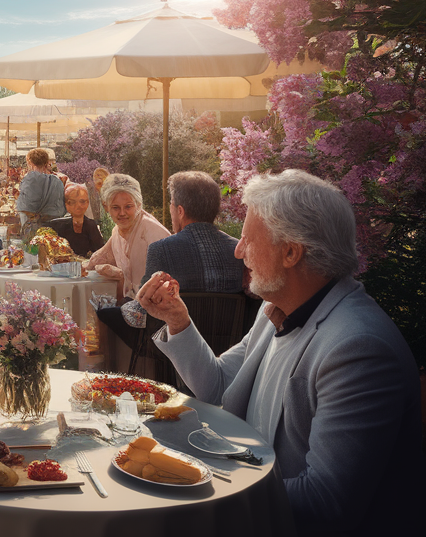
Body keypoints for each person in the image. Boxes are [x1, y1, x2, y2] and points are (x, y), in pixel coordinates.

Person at [136, 170, 419, 534]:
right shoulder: (277, 309)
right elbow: (217, 385)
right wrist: (178, 320)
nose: (238, 251)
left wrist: (199, 487)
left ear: (290, 252)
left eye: (248, 239)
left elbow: (324, 502)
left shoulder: (358, 349)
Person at [86, 173, 171, 351]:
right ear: (106, 207)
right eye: (116, 208)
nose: (122, 213)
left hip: (155, 314)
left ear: (139, 206)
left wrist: (120, 279)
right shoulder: (118, 231)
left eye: (128, 207)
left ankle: (115, 369)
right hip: (133, 303)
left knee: (100, 313)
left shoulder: (152, 233)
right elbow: (98, 258)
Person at [140, 171, 245, 294]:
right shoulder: (239, 251)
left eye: (171, 204)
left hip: (181, 314)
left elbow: (144, 303)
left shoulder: (160, 250)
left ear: (180, 211)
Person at [16, 148, 66, 242]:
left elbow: (24, 209)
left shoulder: (29, 180)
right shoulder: (57, 181)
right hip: (54, 229)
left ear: (29, 162)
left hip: (34, 232)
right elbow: (61, 209)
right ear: (47, 162)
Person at [46, 184, 105, 257]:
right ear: (66, 204)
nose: (78, 206)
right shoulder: (55, 225)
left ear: (87, 203)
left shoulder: (91, 225)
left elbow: (100, 251)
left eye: (82, 201)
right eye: (72, 202)